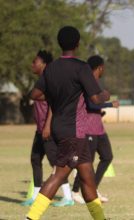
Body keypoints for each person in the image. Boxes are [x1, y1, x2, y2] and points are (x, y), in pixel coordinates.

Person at [26, 26, 109, 220]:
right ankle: (31, 217)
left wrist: (56, 96)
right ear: (78, 44)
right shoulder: (81, 67)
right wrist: (106, 94)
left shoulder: (52, 67)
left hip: (61, 128)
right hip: (74, 131)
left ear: (59, 44)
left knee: (87, 177)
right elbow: (96, 98)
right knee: (59, 175)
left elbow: (35, 94)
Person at [20, 50, 74, 207]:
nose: (32, 64)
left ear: (44, 64)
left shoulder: (50, 80)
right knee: (35, 159)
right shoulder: (40, 81)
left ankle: (68, 197)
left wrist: (48, 126)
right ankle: (36, 195)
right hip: (40, 129)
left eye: (35, 61)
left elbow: (53, 105)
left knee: (56, 163)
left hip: (48, 129)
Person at [71, 55, 118, 204]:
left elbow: (93, 107)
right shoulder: (88, 82)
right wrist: (110, 105)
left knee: (107, 156)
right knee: (87, 161)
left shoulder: (95, 83)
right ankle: (75, 191)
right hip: (88, 129)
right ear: (100, 68)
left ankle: (93, 188)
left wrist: (101, 111)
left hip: (99, 129)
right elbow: (91, 105)